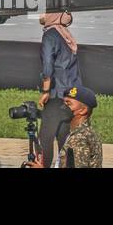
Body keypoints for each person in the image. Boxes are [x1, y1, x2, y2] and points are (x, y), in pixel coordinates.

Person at [38, 10, 82, 168]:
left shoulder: (50, 35)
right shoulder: (64, 34)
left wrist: (45, 91)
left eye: (44, 12)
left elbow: (48, 66)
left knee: (45, 138)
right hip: (71, 95)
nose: (40, 16)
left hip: (56, 95)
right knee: (64, 137)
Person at [27, 86, 102, 168]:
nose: (63, 107)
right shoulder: (85, 132)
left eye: (68, 104)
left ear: (83, 110)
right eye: (64, 103)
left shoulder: (79, 138)